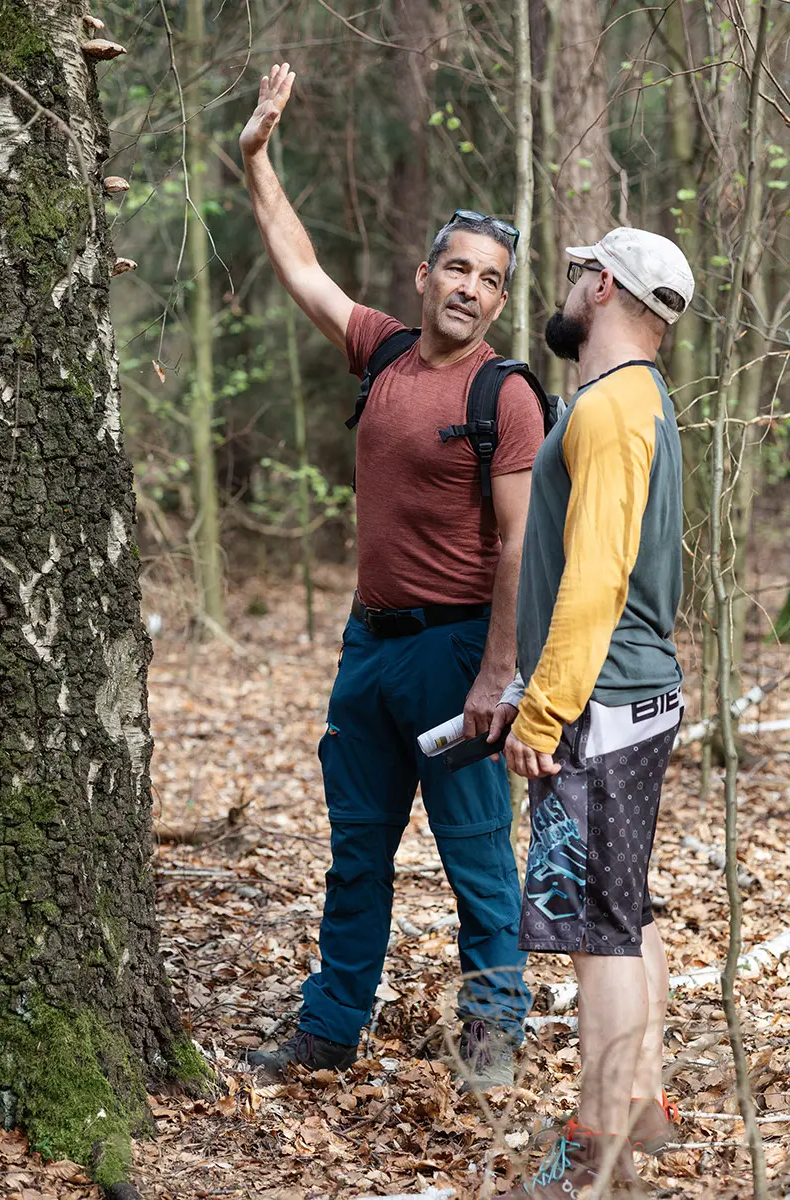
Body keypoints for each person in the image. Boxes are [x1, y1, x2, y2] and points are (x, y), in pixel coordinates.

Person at [238, 64, 544, 1088]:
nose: (467, 286)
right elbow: (301, 269)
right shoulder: (381, 353)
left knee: (476, 864)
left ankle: (492, 1040)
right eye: (454, 267)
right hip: (367, 647)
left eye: (487, 278)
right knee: (356, 855)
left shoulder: (505, 395)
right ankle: (330, 1030)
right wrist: (256, 158)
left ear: (499, 297)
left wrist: (495, 677)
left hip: (457, 652)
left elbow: (515, 547)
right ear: (423, 277)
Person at [488, 228, 694, 1194]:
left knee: (595, 924)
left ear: (604, 285)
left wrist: (544, 711)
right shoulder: (639, 401)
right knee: (629, 903)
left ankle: (600, 1137)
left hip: (601, 700)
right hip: (630, 693)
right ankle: (641, 1101)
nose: (567, 286)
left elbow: (599, 577)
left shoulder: (611, 409)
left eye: (578, 272)